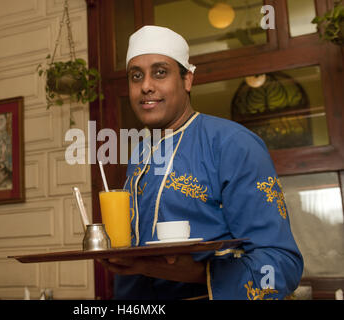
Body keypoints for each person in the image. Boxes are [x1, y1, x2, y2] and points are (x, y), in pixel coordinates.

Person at [99, 26, 303, 300]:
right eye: (136, 76)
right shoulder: (139, 154)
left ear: (187, 80)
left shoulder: (233, 144)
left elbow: (280, 266)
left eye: (160, 72)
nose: (146, 85)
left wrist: (198, 273)